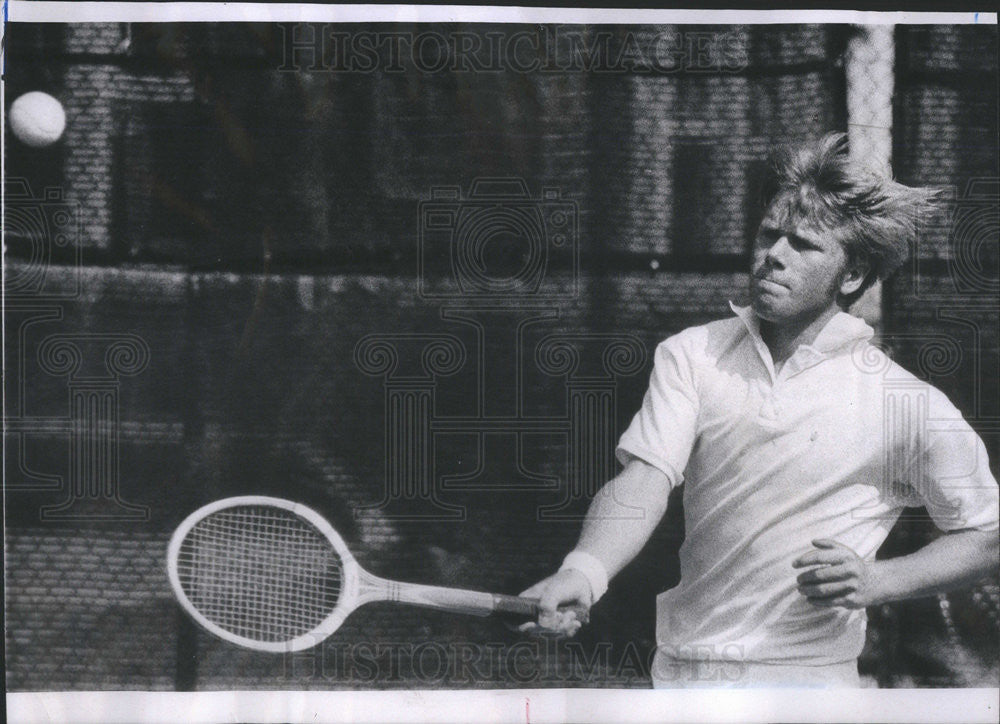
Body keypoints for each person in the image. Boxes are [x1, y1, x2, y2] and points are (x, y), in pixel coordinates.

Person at [520, 132, 999, 688]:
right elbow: (644, 480)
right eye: (769, 234)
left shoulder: (907, 403)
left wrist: (879, 580)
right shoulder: (693, 353)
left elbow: (987, 535)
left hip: (809, 685)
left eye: (804, 244)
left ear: (852, 276)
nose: (774, 254)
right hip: (681, 673)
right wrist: (584, 569)